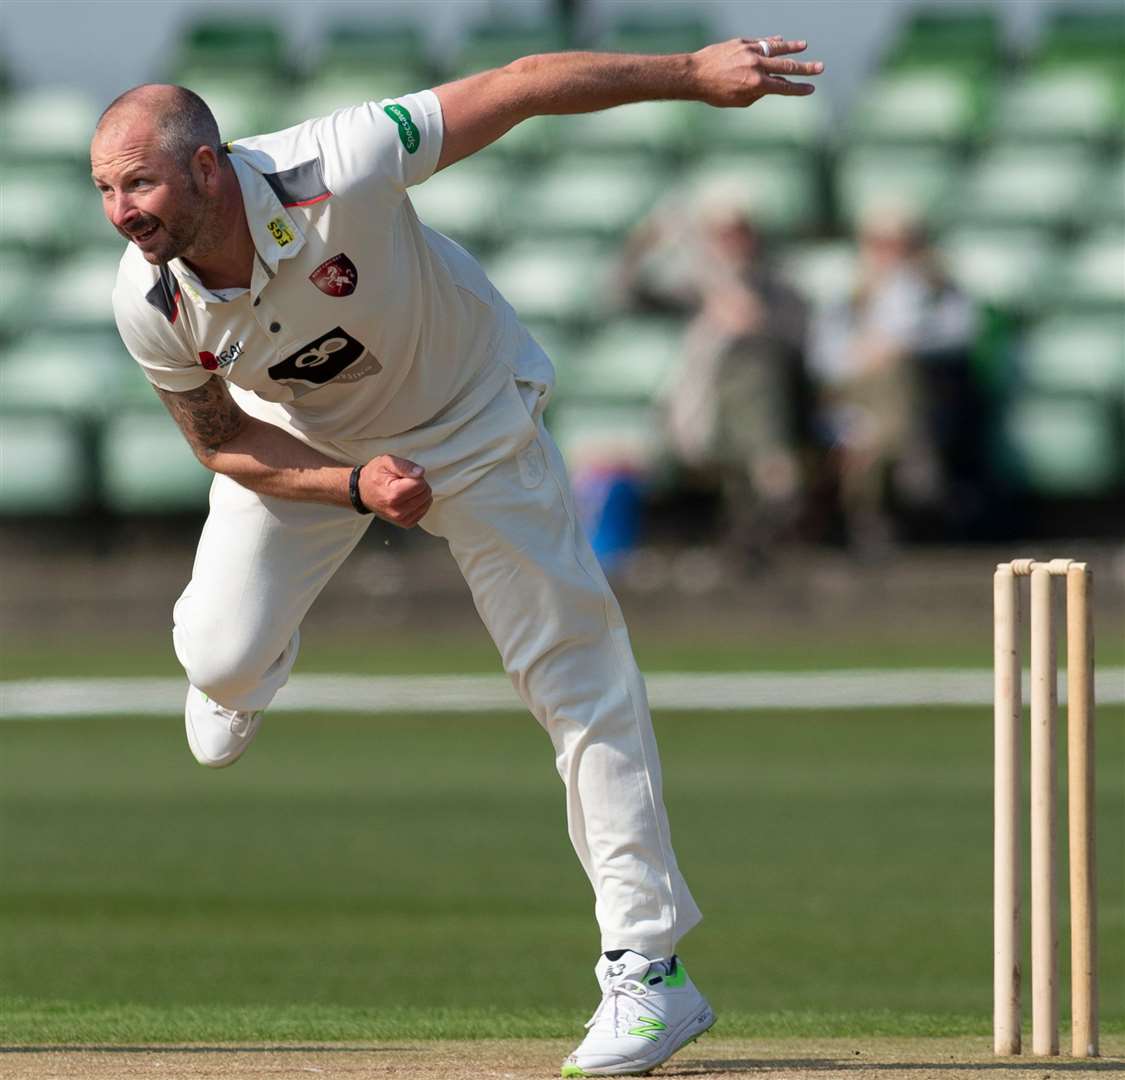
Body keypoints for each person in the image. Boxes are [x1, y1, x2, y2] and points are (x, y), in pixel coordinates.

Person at [91, 36, 823, 1077]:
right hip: (304, 441)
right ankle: (248, 672)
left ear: (208, 165)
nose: (122, 210)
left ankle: (650, 971)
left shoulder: (338, 162)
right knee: (217, 658)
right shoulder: (150, 298)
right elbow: (219, 443)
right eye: (105, 190)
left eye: (139, 183)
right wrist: (354, 486)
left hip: (471, 418)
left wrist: (694, 76)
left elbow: (518, 86)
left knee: (575, 672)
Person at [619, 197, 811, 565]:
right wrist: (639, 246)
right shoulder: (699, 292)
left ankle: (770, 477)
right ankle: (765, 483)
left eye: (738, 232)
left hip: (771, 403)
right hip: (707, 406)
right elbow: (629, 296)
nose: (731, 242)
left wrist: (755, 322)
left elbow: (798, 344)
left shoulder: (776, 288)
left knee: (754, 366)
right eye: (722, 234)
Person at [807, 207, 977, 554]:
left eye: (901, 244)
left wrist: (900, 342)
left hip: (923, 396)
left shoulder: (936, 290)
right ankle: (907, 466)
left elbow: (961, 336)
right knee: (877, 407)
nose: (891, 253)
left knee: (894, 383)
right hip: (857, 397)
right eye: (881, 244)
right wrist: (865, 354)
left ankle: (891, 482)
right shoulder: (847, 297)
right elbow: (822, 359)